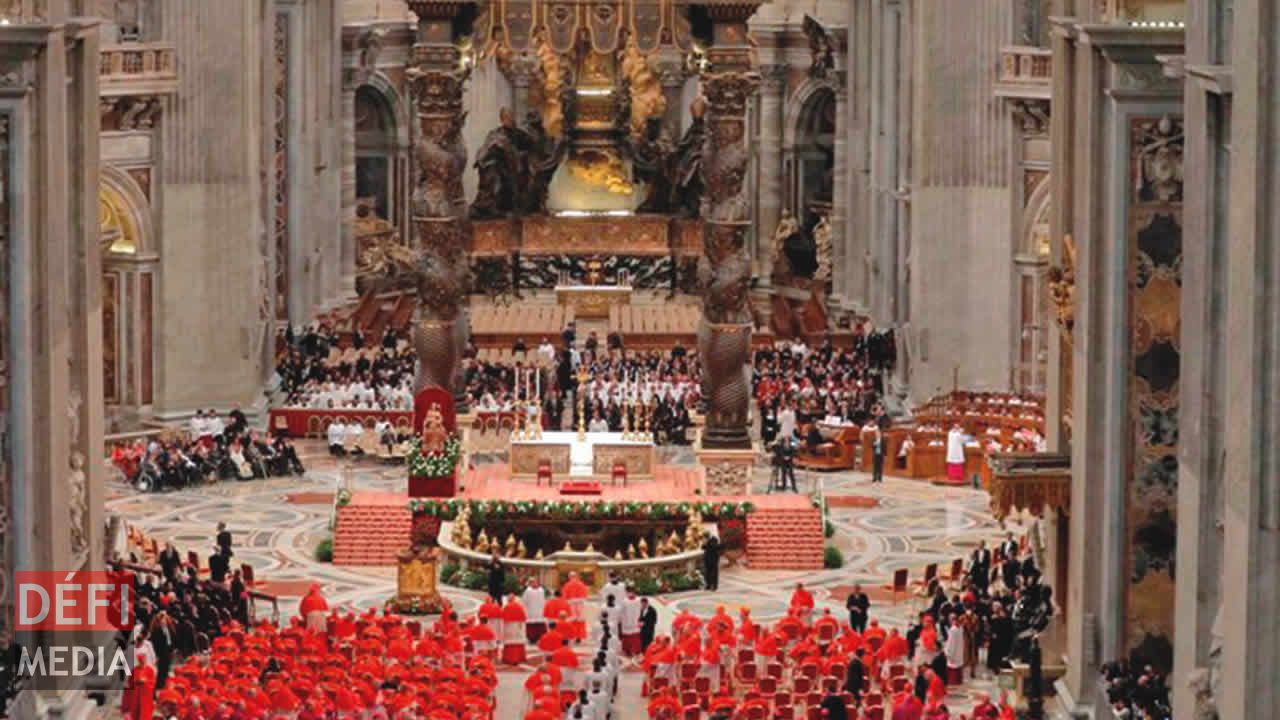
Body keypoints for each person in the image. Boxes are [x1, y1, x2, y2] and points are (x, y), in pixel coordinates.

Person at [522, 577, 548, 643]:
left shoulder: (541, 590)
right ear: (530, 583)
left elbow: (524, 601)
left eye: (535, 582)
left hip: (539, 611)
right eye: (532, 582)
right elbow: (524, 601)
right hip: (531, 611)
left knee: (539, 624)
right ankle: (532, 638)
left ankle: (539, 637)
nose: (534, 583)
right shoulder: (528, 591)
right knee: (532, 625)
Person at [618, 588, 643, 656]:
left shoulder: (637, 600)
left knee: (634, 637)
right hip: (628, 622)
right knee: (629, 637)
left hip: (632, 622)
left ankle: (634, 650)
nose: (630, 594)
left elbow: (640, 610)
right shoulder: (625, 601)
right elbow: (621, 611)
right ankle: (629, 650)